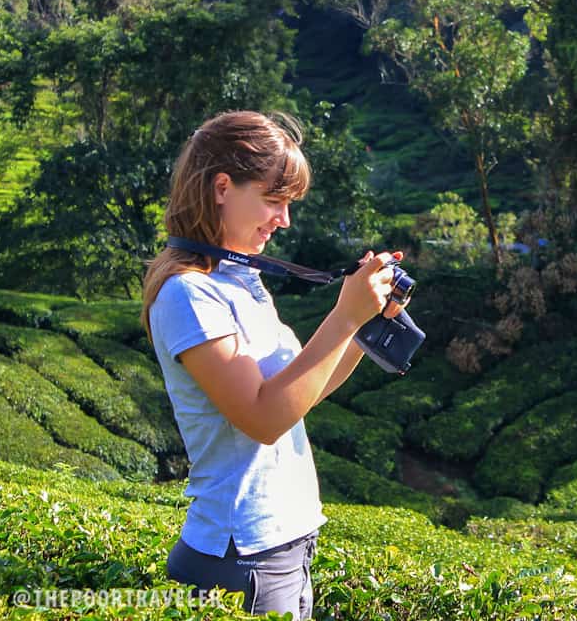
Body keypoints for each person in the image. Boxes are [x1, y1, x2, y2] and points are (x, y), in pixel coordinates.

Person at [140, 110, 403, 619]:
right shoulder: (189, 293)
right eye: (273, 200)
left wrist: (364, 323)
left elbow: (299, 396)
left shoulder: (237, 281)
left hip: (279, 548)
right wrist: (344, 314)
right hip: (243, 555)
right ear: (222, 187)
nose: (284, 219)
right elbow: (262, 419)